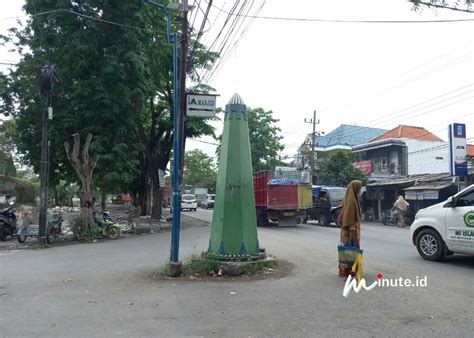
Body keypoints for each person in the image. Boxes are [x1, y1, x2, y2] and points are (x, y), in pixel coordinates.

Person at [338, 180, 363, 278]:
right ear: (355, 188)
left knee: (346, 251)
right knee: (351, 250)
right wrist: (352, 234)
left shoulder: (347, 199)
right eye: (359, 188)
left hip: (345, 231)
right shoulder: (352, 202)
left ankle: (344, 270)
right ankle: (350, 272)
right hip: (351, 231)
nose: (360, 190)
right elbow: (350, 218)